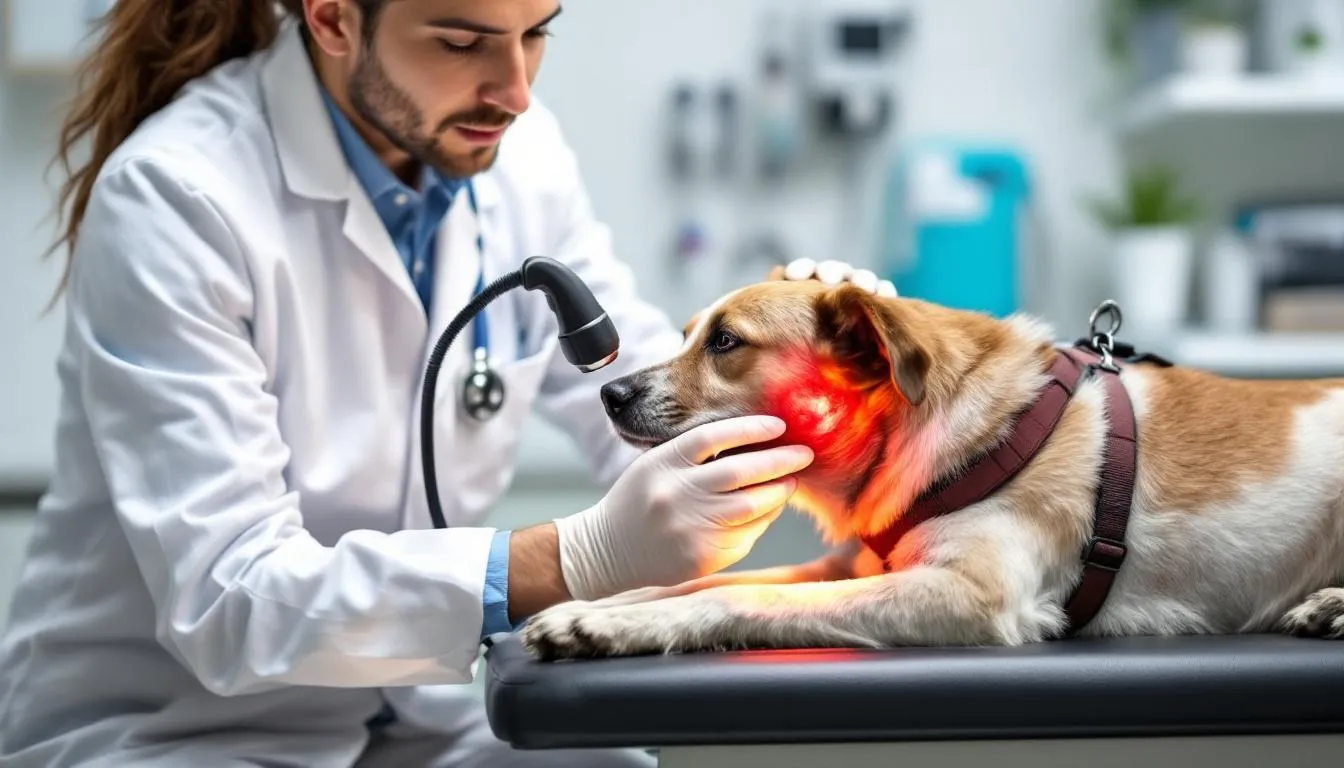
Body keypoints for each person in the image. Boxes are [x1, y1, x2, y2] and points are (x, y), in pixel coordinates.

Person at [0, 1, 895, 766]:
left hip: (410, 721)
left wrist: (801, 366)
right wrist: (574, 559)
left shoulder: (521, 156)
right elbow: (232, 600)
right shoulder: (178, 195)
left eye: (536, 32)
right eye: (462, 42)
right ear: (333, 17)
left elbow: (636, 385)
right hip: (170, 731)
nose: (515, 91)